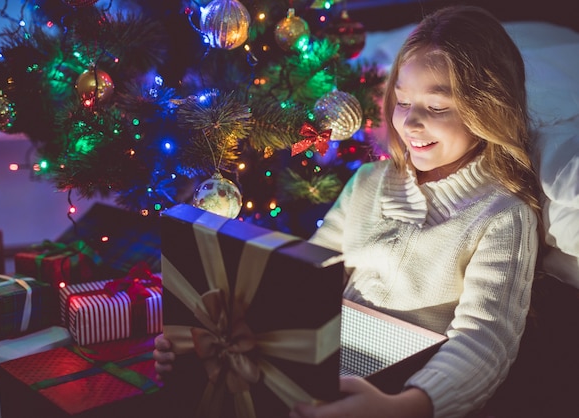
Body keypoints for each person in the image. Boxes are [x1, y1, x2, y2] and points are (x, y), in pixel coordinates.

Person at [154, 5, 544, 417]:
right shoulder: (369, 182)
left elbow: (484, 340)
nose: (410, 123)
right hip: (322, 367)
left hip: (404, 390)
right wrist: (210, 345)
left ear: (490, 108)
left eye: (437, 107)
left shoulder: (502, 215)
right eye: (402, 102)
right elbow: (304, 280)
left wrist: (404, 407)